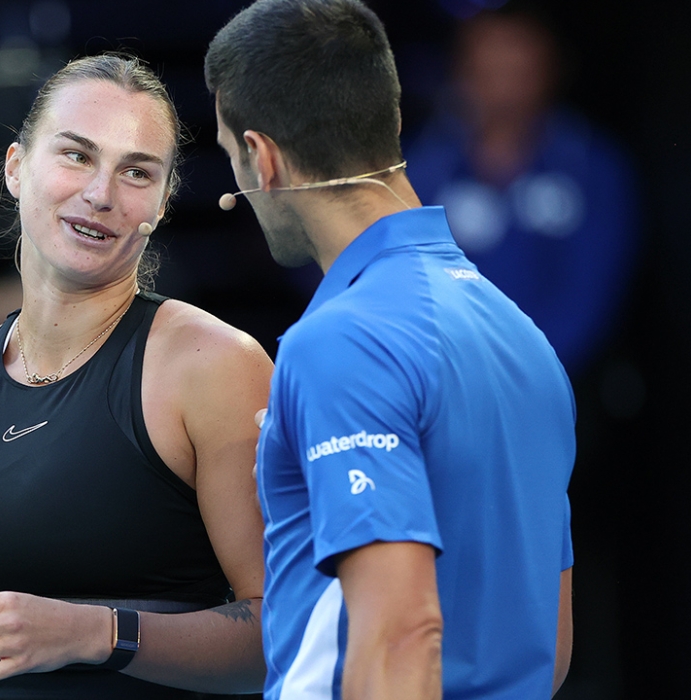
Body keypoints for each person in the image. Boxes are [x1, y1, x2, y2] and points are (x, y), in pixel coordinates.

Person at [0, 53, 271, 699]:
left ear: (163, 201)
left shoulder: (214, 367)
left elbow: (286, 632)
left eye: (137, 171)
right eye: (76, 155)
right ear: (16, 167)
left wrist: (96, 633)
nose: (101, 194)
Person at [205, 1, 574, 698]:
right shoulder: (524, 337)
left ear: (263, 157)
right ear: (391, 120)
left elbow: (401, 635)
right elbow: (546, 651)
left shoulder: (338, 343)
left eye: (232, 160)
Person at [404, 9, 636, 377]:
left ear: (552, 70)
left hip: (558, 381)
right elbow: (395, 285)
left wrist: (522, 375)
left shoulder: (592, 168)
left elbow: (588, 293)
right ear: (460, 71)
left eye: (519, 72)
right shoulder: (416, 168)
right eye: (487, 71)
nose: (503, 89)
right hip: (439, 380)